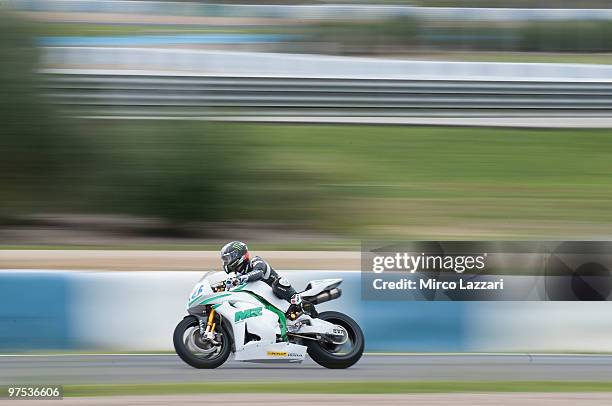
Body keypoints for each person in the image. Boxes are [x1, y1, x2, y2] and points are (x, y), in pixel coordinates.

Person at [220, 241, 315, 319]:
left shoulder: (256, 261)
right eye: (225, 259)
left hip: (278, 295)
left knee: (279, 283)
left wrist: (238, 280)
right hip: (264, 301)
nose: (226, 262)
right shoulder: (238, 275)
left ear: (238, 255)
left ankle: (301, 304)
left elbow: (259, 272)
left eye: (227, 258)